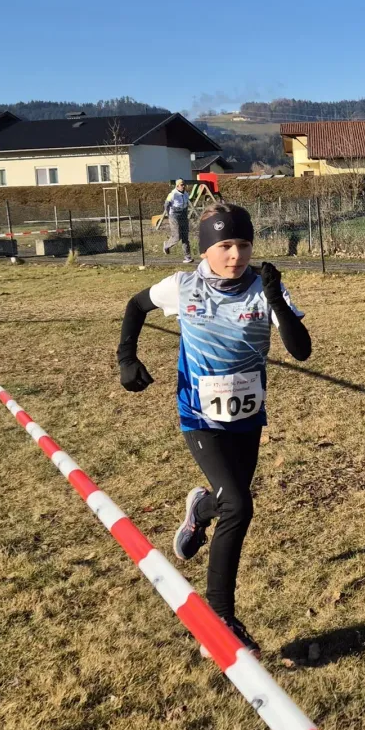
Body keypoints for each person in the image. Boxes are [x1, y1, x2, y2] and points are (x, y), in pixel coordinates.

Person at [117, 202, 311, 657]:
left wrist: (278, 299)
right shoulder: (183, 287)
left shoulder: (263, 288)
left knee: (228, 505)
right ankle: (220, 620)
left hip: (246, 418)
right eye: (224, 245)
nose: (235, 255)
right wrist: (127, 358)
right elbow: (135, 305)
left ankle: (199, 509)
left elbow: (301, 351)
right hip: (199, 416)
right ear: (205, 249)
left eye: (243, 245)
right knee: (240, 506)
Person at [163, 179, 192, 263]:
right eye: (182, 185)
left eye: (184, 185)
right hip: (174, 215)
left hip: (183, 215)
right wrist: (169, 215)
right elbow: (166, 204)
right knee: (177, 236)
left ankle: (187, 257)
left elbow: (186, 205)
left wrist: (185, 215)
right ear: (177, 186)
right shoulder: (173, 194)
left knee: (185, 237)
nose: (184, 186)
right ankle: (167, 245)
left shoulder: (186, 194)